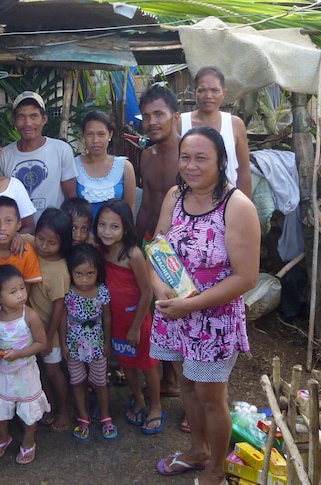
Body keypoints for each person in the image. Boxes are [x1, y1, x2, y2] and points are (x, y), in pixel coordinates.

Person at [150, 127, 259, 484]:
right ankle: (198, 450)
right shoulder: (173, 197)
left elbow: (245, 278)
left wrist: (189, 306)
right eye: (186, 157)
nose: (191, 166)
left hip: (214, 320)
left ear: (221, 161)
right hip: (175, 315)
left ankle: (217, 467)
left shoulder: (237, 206)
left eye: (201, 158)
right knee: (187, 387)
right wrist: (160, 290)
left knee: (212, 397)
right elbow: (158, 245)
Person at [95, 199, 163, 435]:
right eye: (102, 224)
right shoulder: (101, 250)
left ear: (125, 228)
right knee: (127, 363)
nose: (106, 231)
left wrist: (136, 327)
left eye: (114, 226)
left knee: (147, 365)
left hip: (138, 320)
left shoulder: (133, 253)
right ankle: (138, 398)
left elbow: (147, 293)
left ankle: (155, 405)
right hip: (116, 321)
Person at [135, 83, 183, 401]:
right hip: (153, 243)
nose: (152, 121)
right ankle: (168, 379)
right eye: (147, 115)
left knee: (185, 315)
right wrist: (133, 242)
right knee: (158, 313)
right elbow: (148, 204)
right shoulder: (146, 156)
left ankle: (195, 390)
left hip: (182, 247)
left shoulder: (190, 153)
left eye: (159, 114)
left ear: (175, 116)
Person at [0, 264, 50, 465]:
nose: (21, 294)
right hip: (2, 372)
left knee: (29, 410)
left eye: (22, 288)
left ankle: (29, 441)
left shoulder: (29, 315)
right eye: (13, 292)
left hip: (26, 372)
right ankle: (3, 437)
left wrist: (19, 353)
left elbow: (41, 343)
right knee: (1, 408)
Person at [21, 208, 73, 433]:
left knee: (53, 370)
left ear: (62, 243)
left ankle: (63, 409)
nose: (43, 245)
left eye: (51, 242)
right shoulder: (32, 245)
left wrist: (48, 337)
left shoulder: (59, 270)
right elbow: (19, 234)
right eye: (41, 238)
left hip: (48, 331)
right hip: (30, 329)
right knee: (39, 370)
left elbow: (59, 308)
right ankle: (48, 405)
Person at [63, 243, 116, 441]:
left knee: (101, 382)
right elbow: (63, 318)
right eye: (78, 274)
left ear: (97, 272)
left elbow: (108, 318)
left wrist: (107, 343)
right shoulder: (68, 293)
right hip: (74, 346)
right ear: (71, 272)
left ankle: (105, 415)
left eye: (89, 273)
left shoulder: (102, 291)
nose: (84, 280)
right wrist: (63, 343)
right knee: (77, 382)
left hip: (97, 346)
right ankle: (83, 417)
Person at [0, 91, 78, 220]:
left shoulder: (61, 150)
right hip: (18, 235)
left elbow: (71, 196)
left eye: (34, 116)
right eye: (21, 117)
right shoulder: (4, 155)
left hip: (54, 233)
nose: (28, 123)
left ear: (44, 119)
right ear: (14, 120)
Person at [179, 66, 251, 197]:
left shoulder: (235, 124)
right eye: (202, 90)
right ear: (194, 92)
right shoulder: (180, 123)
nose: (208, 96)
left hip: (228, 200)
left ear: (224, 93)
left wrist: (245, 204)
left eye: (215, 90)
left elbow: (244, 170)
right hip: (190, 200)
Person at [75, 110, 137, 217]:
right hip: (83, 233)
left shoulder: (124, 167)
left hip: (115, 233)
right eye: (90, 134)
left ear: (110, 135)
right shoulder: (74, 165)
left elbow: (129, 211)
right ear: (83, 136)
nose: (95, 140)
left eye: (101, 134)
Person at [0, 196, 42, 287]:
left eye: (9, 221)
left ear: (18, 224)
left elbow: (27, 287)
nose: (2, 227)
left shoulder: (26, 251)